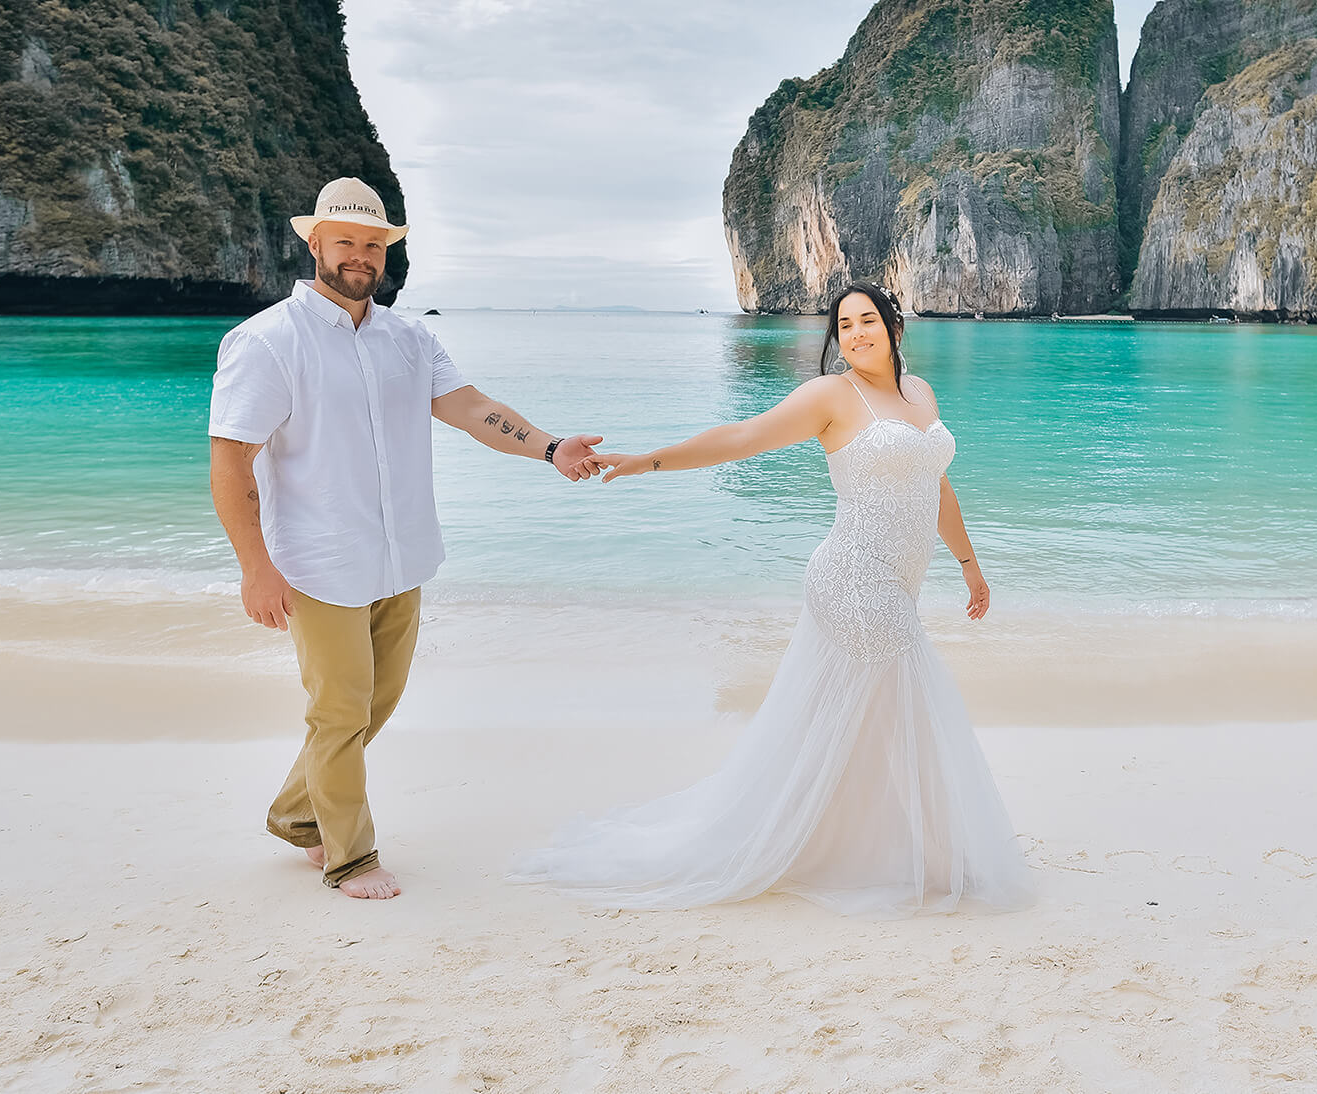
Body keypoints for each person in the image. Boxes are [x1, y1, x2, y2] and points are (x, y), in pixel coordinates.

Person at [510, 281, 1034, 915]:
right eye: (844, 325)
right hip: (853, 580)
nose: (857, 333)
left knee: (861, 723)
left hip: (900, 583)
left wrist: (970, 566)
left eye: (868, 320)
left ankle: (869, 847)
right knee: (910, 711)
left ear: (895, 327)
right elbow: (740, 438)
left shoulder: (919, 394)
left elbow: (937, 486)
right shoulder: (832, 396)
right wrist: (649, 461)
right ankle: (934, 860)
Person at [208, 177, 609, 900]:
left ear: (384, 251)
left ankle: (300, 814)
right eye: (346, 242)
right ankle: (349, 857)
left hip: (400, 557)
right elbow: (230, 458)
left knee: (375, 705)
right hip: (318, 562)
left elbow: (471, 408)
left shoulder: (409, 338)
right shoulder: (267, 342)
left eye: (372, 243)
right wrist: (253, 569)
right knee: (339, 710)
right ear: (315, 244)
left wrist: (550, 448)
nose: (359, 256)